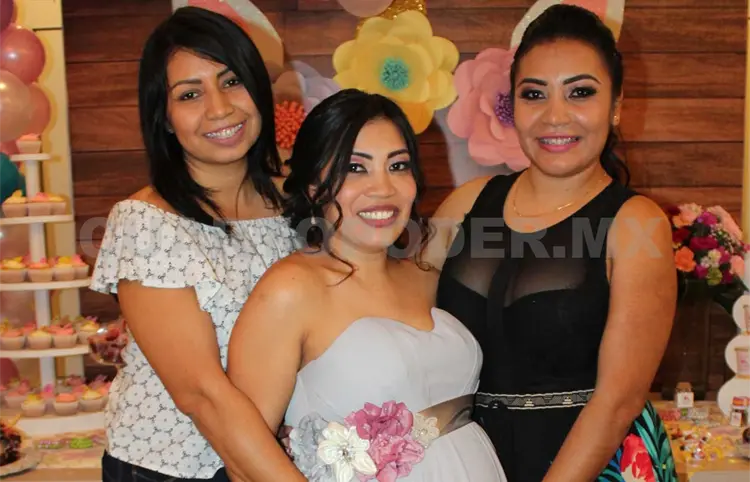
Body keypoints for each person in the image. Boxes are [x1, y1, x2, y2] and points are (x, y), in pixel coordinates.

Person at [428, 5, 678, 482]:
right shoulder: (466, 204)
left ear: (617, 105)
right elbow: (401, 313)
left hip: (591, 466)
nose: (555, 116)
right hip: (468, 461)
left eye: (580, 92)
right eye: (534, 94)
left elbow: (618, 401)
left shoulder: (636, 223)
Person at [227, 89, 507, 481]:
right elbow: (244, 458)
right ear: (312, 185)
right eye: (356, 168)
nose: (383, 188)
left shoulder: (424, 276)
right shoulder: (290, 289)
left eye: (398, 166)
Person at [90, 7, 305, 482]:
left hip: (284, 457)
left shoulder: (299, 204)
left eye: (232, 81)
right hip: (175, 469)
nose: (220, 108)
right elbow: (201, 395)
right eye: (190, 94)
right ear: (165, 118)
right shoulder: (147, 222)